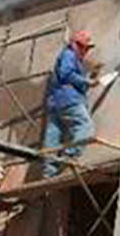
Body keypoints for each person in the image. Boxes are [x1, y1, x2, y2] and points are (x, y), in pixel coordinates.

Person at [42, 30, 100, 178]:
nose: (85, 51)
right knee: (86, 127)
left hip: (56, 102)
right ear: (75, 44)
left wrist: (88, 79)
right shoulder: (69, 54)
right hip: (68, 100)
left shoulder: (69, 57)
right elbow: (66, 74)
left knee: (53, 136)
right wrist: (86, 81)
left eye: (87, 48)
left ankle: (49, 171)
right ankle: (69, 157)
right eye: (83, 47)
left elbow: (68, 77)